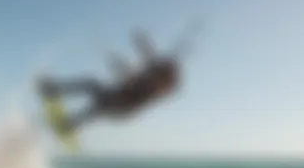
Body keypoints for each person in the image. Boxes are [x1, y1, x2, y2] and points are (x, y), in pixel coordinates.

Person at [37, 22, 203, 132]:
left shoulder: (157, 89)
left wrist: (124, 68)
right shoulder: (153, 75)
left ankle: (70, 124)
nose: (153, 70)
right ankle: (53, 91)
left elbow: (138, 78)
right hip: (117, 97)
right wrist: (139, 46)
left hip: (123, 107)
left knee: (97, 105)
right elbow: (149, 60)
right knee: (90, 84)